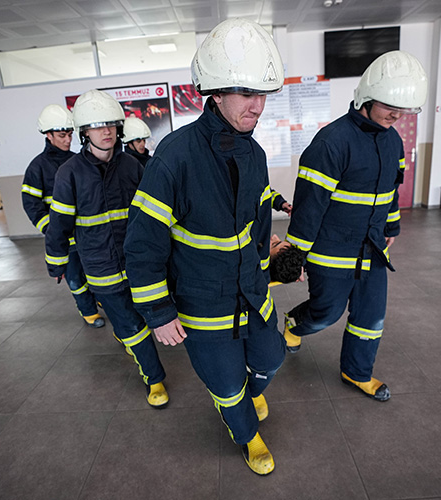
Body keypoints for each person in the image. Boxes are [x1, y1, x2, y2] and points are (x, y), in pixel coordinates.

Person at [124, 18, 286, 475]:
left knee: (271, 357)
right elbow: (142, 245)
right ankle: (246, 435)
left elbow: (255, 215)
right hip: (202, 300)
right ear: (215, 93)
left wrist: (267, 256)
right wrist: (158, 312)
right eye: (246, 94)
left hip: (252, 291)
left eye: (262, 94)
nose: (257, 106)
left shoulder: (253, 153)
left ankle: (250, 398)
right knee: (225, 383)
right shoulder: (174, 156)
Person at [283, 50, 428, 402]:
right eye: (389, 105)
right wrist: (296, 253)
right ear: (365, 97)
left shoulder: (393, 140)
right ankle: (293, 323)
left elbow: (392, 189)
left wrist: (390, 228)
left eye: (403, 108)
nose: (396, 114)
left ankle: (356, 372)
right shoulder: (331, 142)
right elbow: (309, 205)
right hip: (331, 249)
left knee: (370, 318)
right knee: (325, 313)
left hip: (372, 248)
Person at [44, 90, 169, 408]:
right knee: (130, 324)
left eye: (111, 124)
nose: (107, 131)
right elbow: (59, 223)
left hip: (139, 261)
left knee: (152, 313)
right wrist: (56, 261)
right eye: (98, 126)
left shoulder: (132, 166)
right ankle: (154, 379)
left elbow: (152, 211)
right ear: (84, 131)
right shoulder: (68, 173)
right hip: (101, 265)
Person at [22, 104, 105, 328]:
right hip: (63, 238)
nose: (68, 140)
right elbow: (31, 204)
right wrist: (51, 229)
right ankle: (88, 311)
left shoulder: (78, 161)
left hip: (86, 233)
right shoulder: (36, 167)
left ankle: (99, 299)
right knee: (75, 277)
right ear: (48, 135)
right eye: (61, 135)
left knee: (94, 271)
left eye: (69, 134)